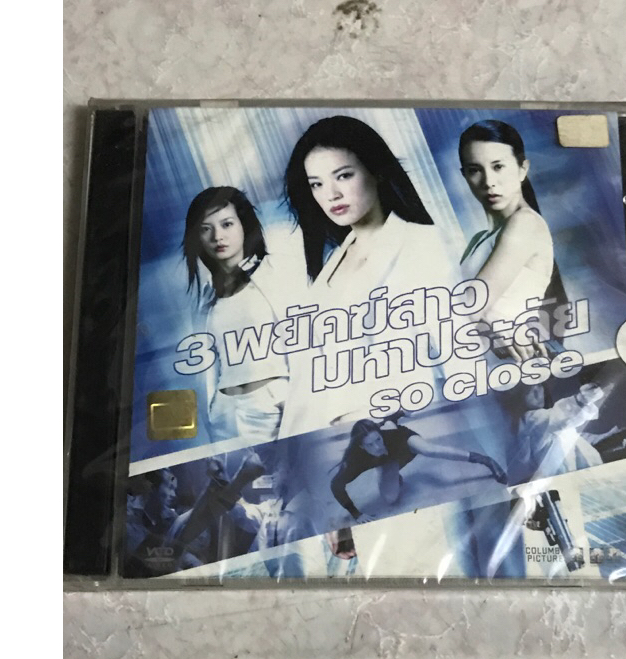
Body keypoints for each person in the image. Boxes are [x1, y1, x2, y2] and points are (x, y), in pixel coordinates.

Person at [279, 115, 458, 437]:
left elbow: (457, 351)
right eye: (317, 184)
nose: (331, 194)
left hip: (412, 430)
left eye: (343, 176)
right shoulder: (328, 271)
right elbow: (309, 382)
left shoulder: (424, 242)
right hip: (341, 441)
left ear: (376, 171)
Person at [183, 186, 289, 444]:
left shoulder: (275, 274)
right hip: (225, 416)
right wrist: (213, 413)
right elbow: (208, 366)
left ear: (243, 225)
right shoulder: (205, 298)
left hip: (272, 408)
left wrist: (286, 402)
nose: (217, 236)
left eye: (227, 224)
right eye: (205, 229)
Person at [458, 120, 567, 361]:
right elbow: (455, 308)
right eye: (475, 170)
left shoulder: (525, 223)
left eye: (498, 166)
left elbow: (466, 307)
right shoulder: (480, 239)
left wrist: (482, 317)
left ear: (522, 168)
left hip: (510, 363)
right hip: (480, 359)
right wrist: (490, 322)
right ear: (464, 175)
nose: (488, 181)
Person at [329, 413, 507, 523]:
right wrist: (356, 513)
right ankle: (391, 475)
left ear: (380, 434)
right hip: (388, 462)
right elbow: (336, 486)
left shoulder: (389, 433)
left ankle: (486, 460)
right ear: (361, 447)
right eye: (370, 445)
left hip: (404, 444)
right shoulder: (355, 461)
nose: (377, 446)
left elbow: (389, 421)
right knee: (390, 499)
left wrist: (400, 413)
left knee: (430, 449)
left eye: (378, 439)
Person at [124, 453, 268, 577]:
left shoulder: (170, 518)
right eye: (169, 487)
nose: (173, 495)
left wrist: (220, 485)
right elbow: (183, 536)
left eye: (175, 489)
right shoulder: (131, 526)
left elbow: (196, 519)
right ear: (150, 487)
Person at [514, 380, 626, 480]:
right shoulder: (530, 420)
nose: (537, 390)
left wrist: (614, 435)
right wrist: (581, 400)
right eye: (528, 390)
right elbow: (558, 417)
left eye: (539, 385)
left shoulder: (550, 426)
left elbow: (577, 440)